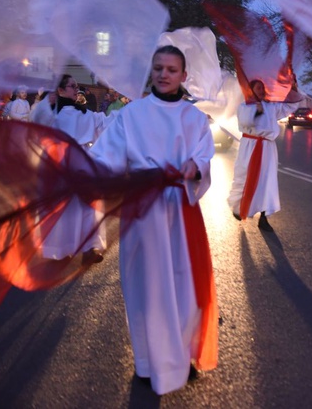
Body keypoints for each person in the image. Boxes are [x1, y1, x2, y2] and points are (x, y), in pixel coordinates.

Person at [88, 45, 217, 395]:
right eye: (158, 67)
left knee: (184, 286)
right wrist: (81, 168)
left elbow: (205, 154)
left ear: (183, 76)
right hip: (143, 212)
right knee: (146, 287)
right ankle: (147, 361)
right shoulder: (132, 115)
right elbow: (105, 157)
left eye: (171, 69)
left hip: (180, 211)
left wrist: (196, 166)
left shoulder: (193, 118)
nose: (163, 74)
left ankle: (182, 356)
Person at [39, 74, 113, 264]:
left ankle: (89, 248)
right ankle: (60, 249)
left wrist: (130, 111)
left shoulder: (84, 113)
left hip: (83, 163)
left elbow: (105, 122)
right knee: (63, 208)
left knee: (89, 205)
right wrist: (46, 102)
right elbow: (36, 124)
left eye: (76, 85)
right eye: (72, 86)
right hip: (60, 163)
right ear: (61, 90)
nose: (76, 89)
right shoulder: (51, 114)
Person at [227, 78, 302, 231]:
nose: (262, 90)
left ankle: (264, 217)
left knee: (267, 181)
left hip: (267, 148)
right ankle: (238, 207)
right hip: (250, 146)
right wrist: (256, 111)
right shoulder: (244, 106)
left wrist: (293, 89)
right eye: (258, 88)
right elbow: (245, 121)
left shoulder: (271, 107)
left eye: (263, 88)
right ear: (251, 90)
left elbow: (290, 106)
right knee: (244, 176)